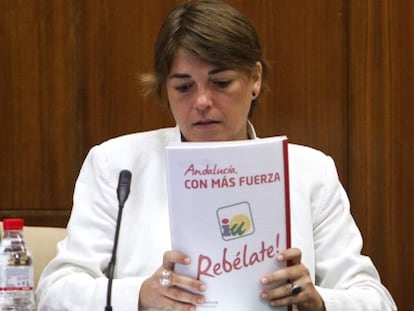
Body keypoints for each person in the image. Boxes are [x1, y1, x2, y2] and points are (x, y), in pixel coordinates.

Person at [36, 0, 397, 310]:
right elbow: (54, 291)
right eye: (183, 87)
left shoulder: (309, 171)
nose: (202, 102)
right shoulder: (117, 165)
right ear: (165, 88)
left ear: (254, 79)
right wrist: (141, 297)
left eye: (221, 82)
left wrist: (317, 300)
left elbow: (376, 300)